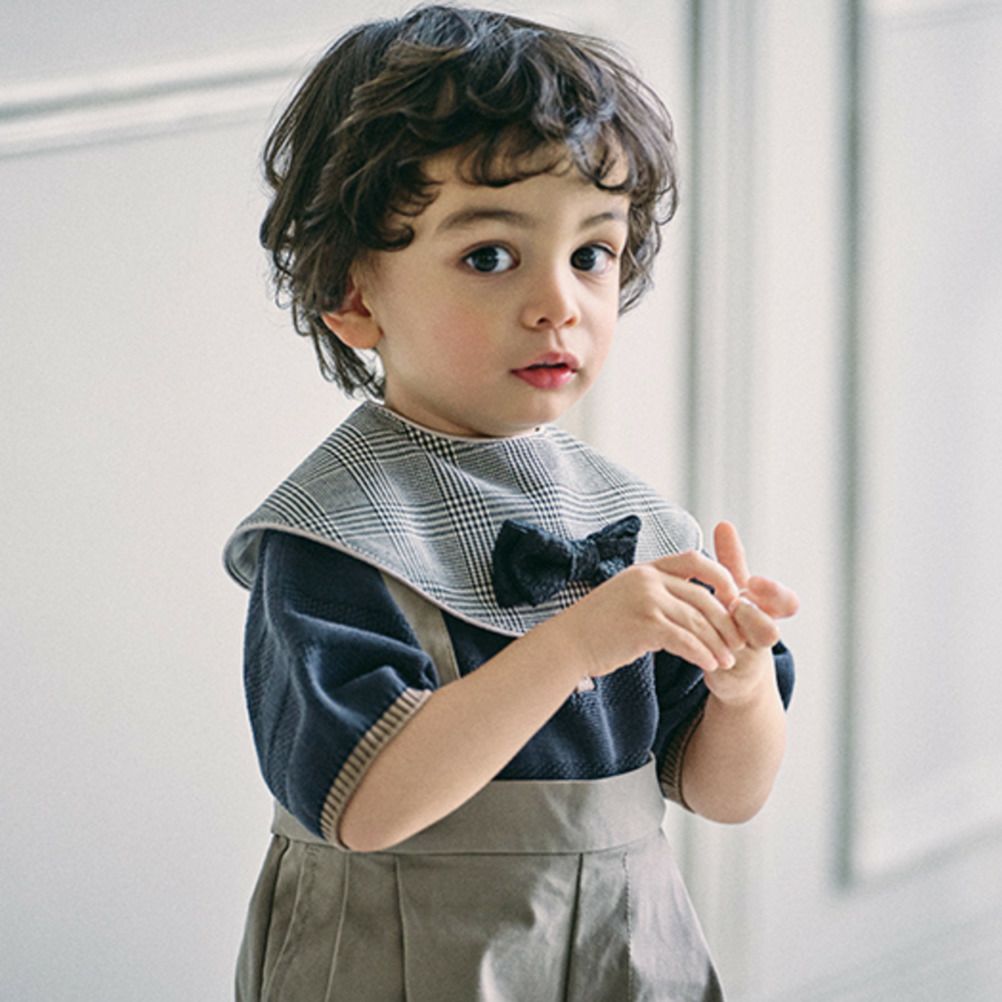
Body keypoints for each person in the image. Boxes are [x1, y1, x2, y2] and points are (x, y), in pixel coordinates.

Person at [223, 5, 798, 1000]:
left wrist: (742, 690)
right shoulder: (333, 538)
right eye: (490, 256)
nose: (558, 302)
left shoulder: (636, 525)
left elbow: (724, 796)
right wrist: (573, 646)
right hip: (403, 955)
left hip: (626, 947)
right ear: (354, 294)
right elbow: (365, 807)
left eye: (591, 255)